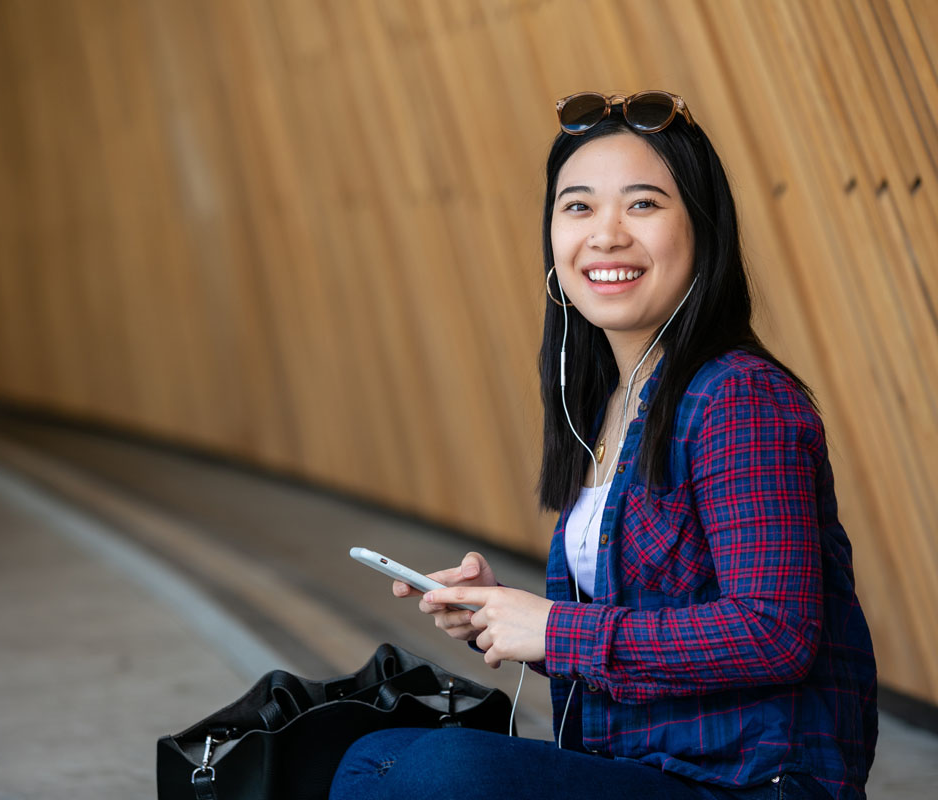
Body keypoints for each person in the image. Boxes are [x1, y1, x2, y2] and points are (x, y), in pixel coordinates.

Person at [329, 91, 877, 800]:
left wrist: (557, 630)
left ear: (703, 231)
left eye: (643, 205)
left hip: (750, 785)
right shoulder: (606, 406)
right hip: (644, 770)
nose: (607, 234)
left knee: (423, 772)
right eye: (578, 206)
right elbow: (646, 647)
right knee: (356, 748)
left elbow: (773, 632)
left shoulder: (737, 398)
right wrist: (505, 615)